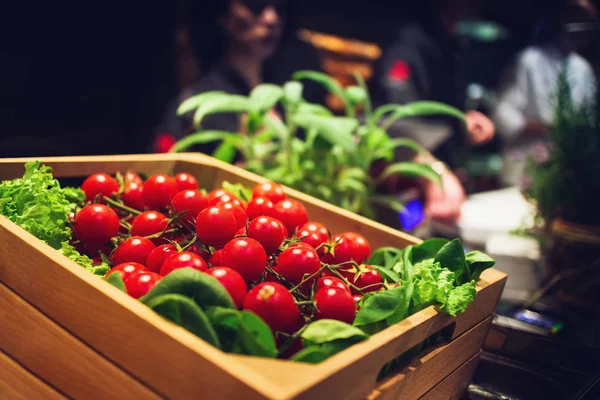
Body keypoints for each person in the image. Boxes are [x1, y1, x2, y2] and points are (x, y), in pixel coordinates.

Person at [372, 0, 495, 222]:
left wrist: (463, 120)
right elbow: (393, 122)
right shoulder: (407, 42)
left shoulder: (452, 42)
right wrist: (434, 173)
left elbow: (440, 110)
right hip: (405, 186)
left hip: (440, 179)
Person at [153, 0, 324, 153]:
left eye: (279, 8)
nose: (271, 18)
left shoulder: (292, 94)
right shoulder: (194, 106)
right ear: (223, 12)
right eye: (255, 5)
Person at [492, 0, 597, 186]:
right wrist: (534, 125)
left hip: (565, 170)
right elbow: (502, 113)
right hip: (525, 164)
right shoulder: (529, 60)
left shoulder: (582, 69)